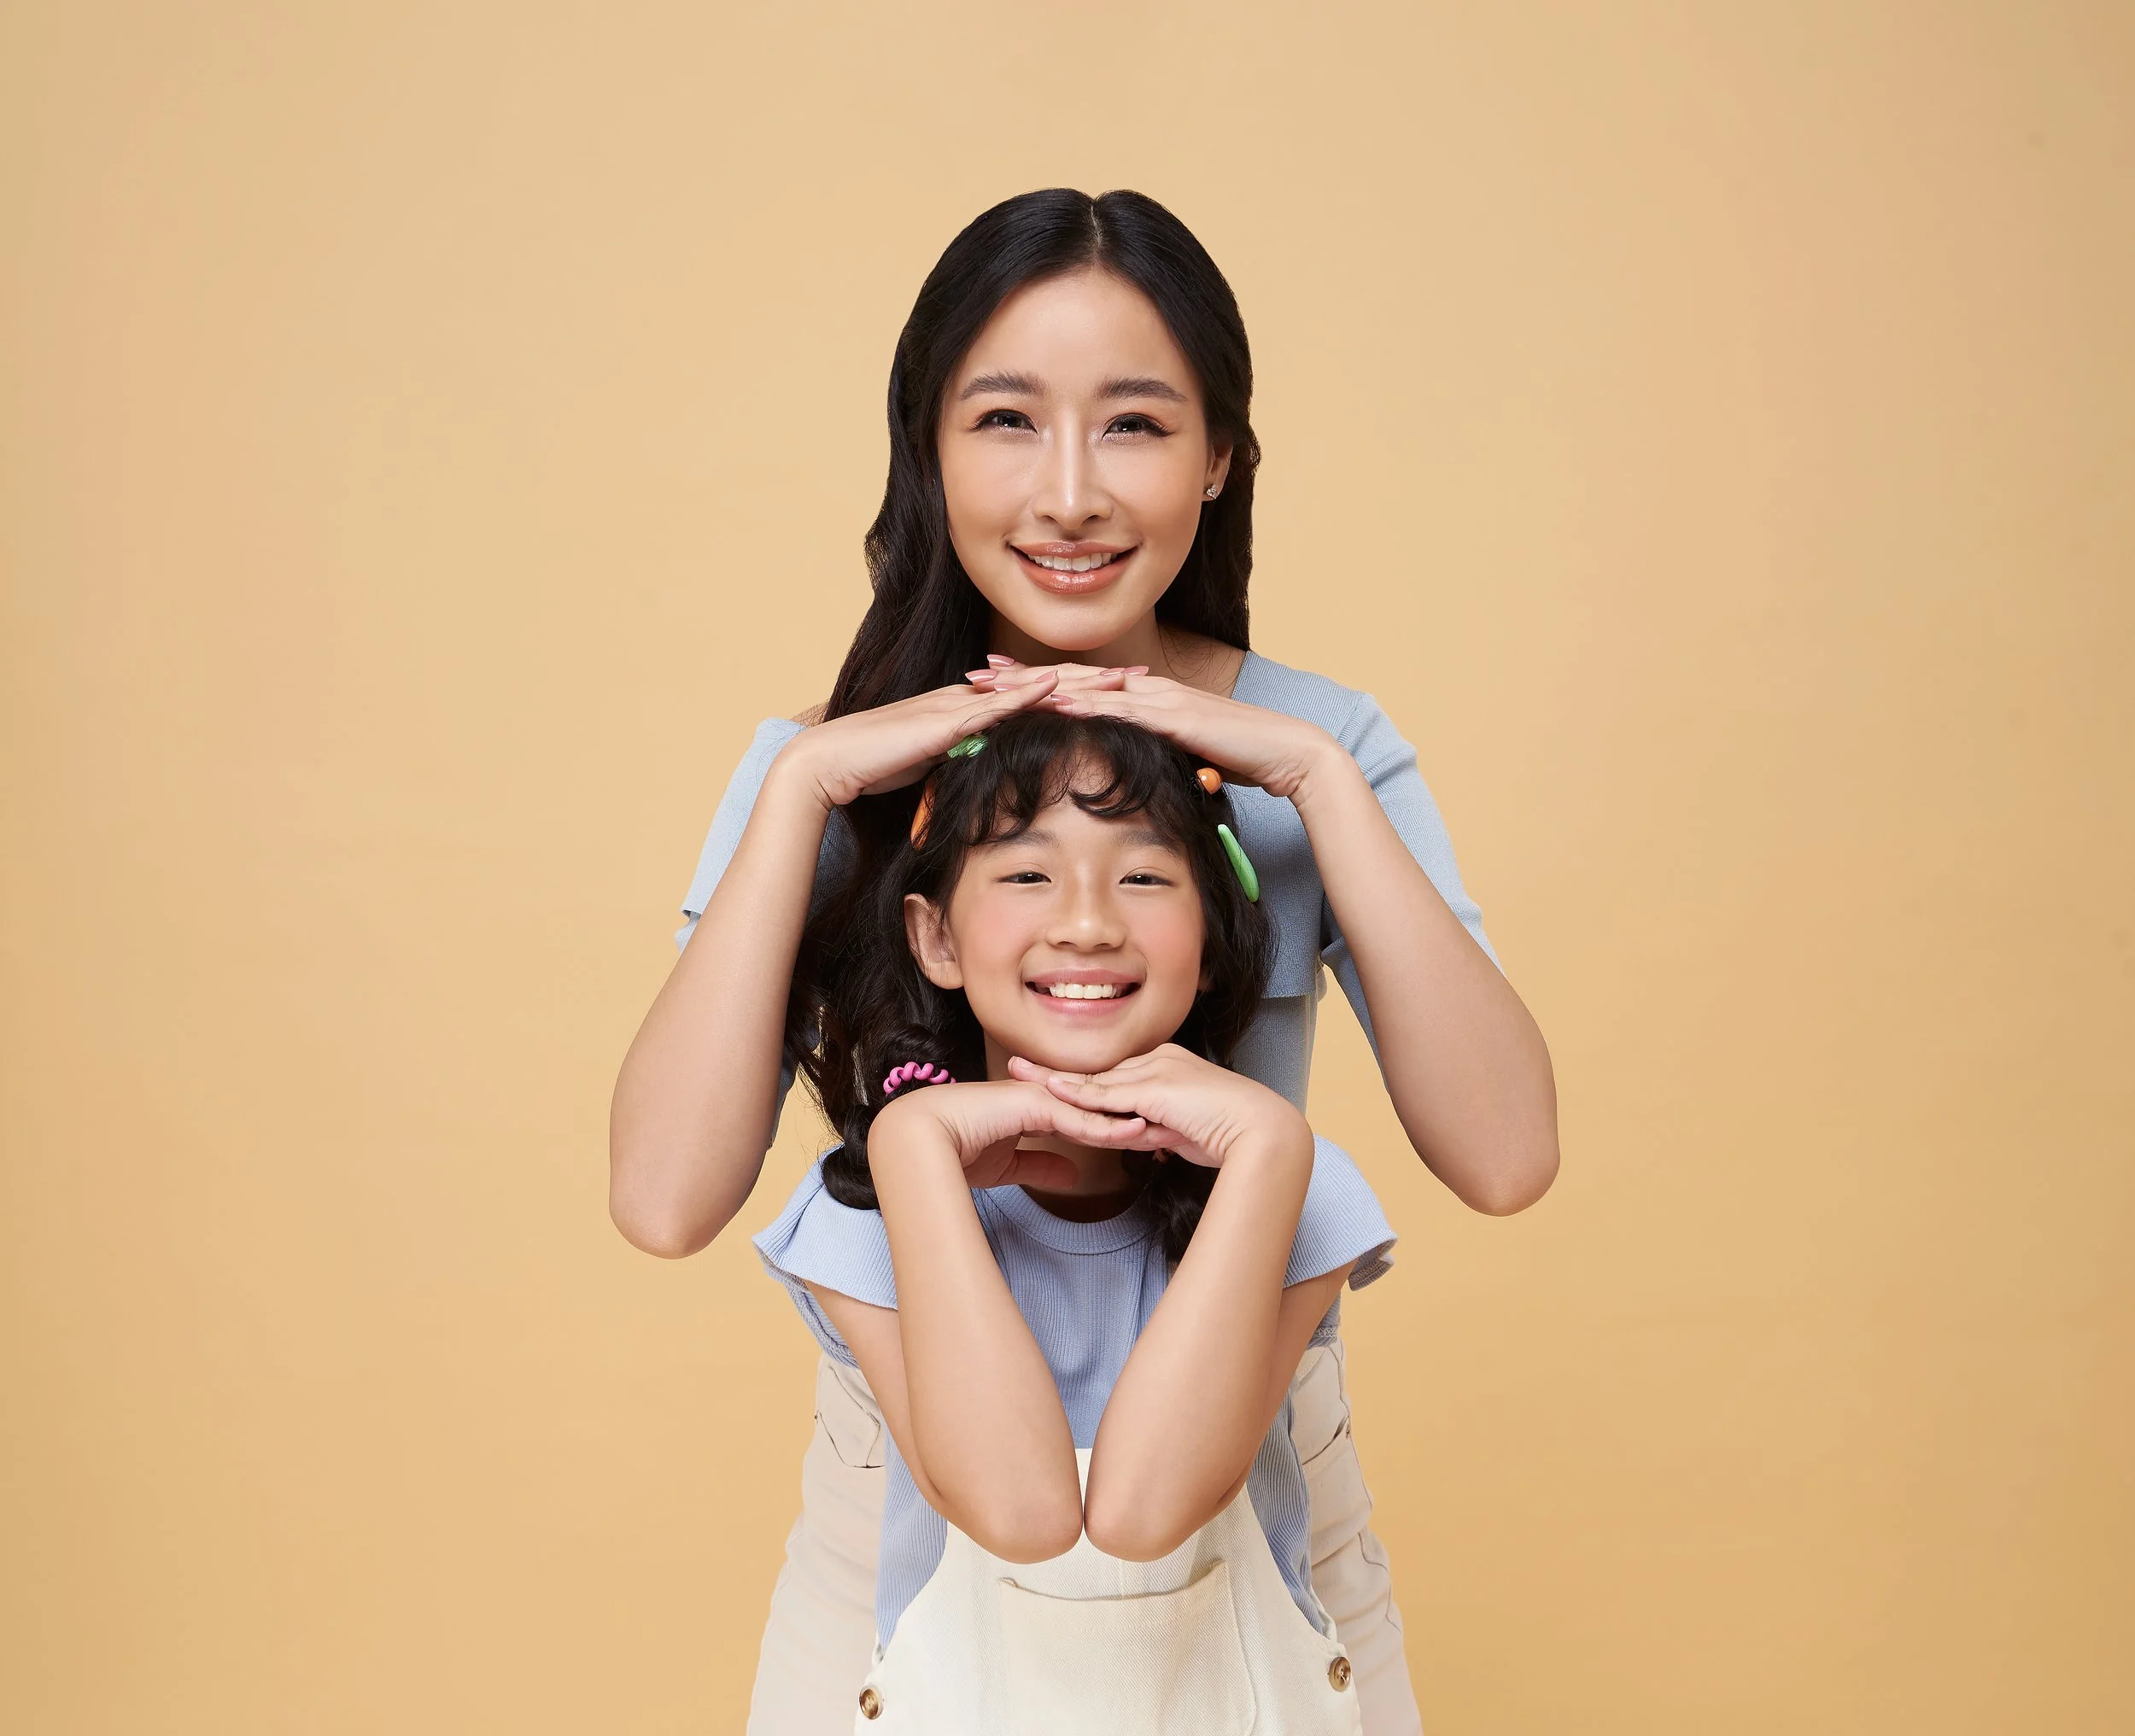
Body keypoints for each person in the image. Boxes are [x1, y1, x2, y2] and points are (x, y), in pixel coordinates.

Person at [609, 187, 1559, 1735]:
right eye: (1005, 420)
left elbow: (1506, 1155)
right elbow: (664, 1198)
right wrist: (802, 790)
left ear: (1218, 455)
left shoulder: (1318, 745)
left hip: (1258, 1543)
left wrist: (1313, 777)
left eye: (1133, 425)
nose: (1069, 495)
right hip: (899, 1564)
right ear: (928, 449)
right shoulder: (829, 769)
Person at [757, 710, 1396, 1733]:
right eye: (1026, 873)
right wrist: (913, 1145)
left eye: (1142, 875)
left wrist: (1269, 1146)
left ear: (1212, 935)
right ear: (936, 937)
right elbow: (1019, 1512)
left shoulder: (1292, 1183)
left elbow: (1145, 1511)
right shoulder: (866, 1206)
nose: (1088, 923)